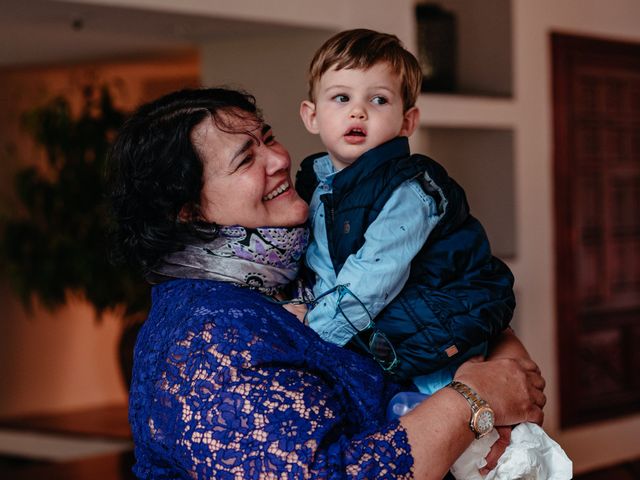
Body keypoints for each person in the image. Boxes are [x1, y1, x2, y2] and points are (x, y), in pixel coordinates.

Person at [108, 87, 546, 479]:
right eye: (246, 158)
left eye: (268, 138)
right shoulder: (204, 340)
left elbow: (463, 295)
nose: (280, 159)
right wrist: (471, 402)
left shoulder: (308, 262)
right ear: (189, 211)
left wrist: (503, 392)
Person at [295, 29, 570, 479]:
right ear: (311, 115)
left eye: (379, 100)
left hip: (441, 324)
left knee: (490, 448)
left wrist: (312, 335)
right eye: (340, 98)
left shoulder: (412, 186)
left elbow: (373, 275)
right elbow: (326, 268)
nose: (358, 110)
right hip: (395, 337)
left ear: (407, 121)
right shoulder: (318, 187)